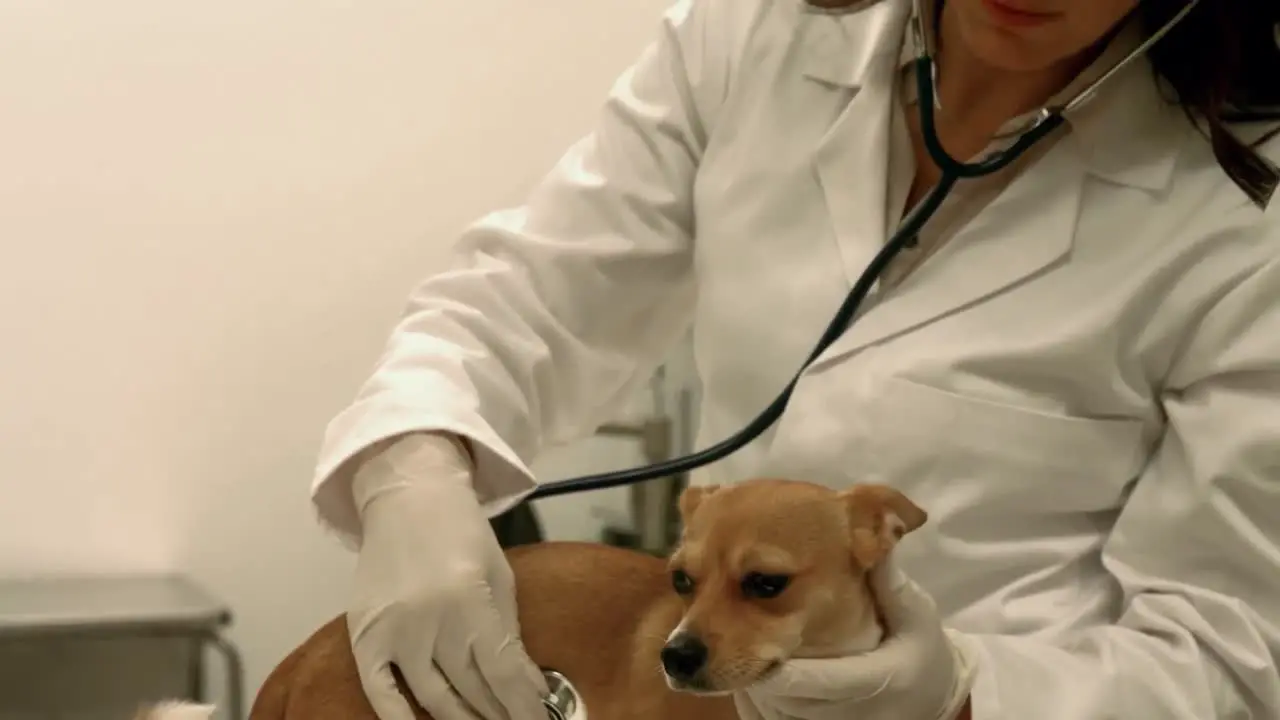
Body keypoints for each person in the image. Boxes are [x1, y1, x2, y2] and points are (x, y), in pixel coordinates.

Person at [309, 0, 1280, 717]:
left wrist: (965, 691)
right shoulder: (757, 34)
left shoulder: (1247, 221)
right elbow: (526, 298)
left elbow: (1230, 653)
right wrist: (412, 466)